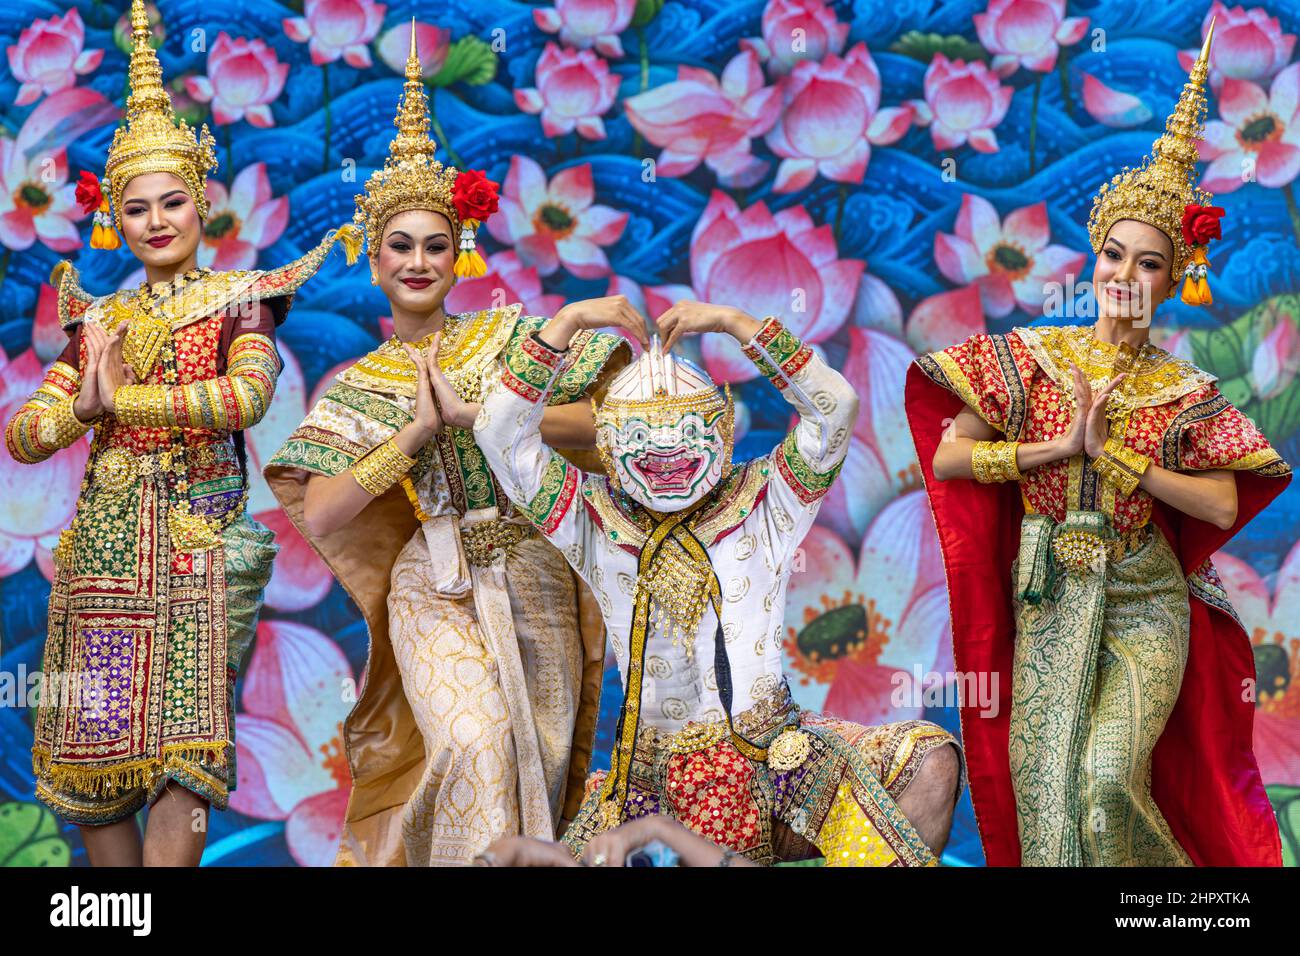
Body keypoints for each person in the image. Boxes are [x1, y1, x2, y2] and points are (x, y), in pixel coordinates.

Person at [905, 21, 1291, 866]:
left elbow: (1225, 502)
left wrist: (1120, 459)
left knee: (1111, 777)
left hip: (1145, 596)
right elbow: (948, 455)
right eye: (1114, 253)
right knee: (1051, 796)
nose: (1124, 275)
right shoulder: (1037, 357)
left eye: (1148, 263)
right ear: (1095, 253)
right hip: (1047, 587)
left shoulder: (1184, 390)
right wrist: (1049, 453)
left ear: (1174, 277)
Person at [4, 0, 358, 867]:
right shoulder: (99, 317)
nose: (157, 220)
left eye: (173, 202)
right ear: (114, 220)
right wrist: (83, 410)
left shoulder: (239, 302)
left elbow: (245, 398)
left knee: (184, 767)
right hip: (105, 555)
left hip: (199, 548)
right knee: (92, 770)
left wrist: (131, 406)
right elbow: (26, 436)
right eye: (136, 208)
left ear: (203, 202)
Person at [263, 29, 629, 866]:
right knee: (473, 744)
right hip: (431, 580)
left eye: (435, 244)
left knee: (538, 765)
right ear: (373, 256)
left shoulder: (513, 340)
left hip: (535, 571)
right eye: (401, 245)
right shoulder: (359, 383)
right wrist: (419, 432)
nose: (419, 261)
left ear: (459, 252)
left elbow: (606, 439)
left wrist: (492, 417)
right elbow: (322, 510)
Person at [474, 295, 965, 866]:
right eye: (643, 436)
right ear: (607, 445)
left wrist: (739, 325)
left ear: (724, 428)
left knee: (930, 762)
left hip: (783, 758)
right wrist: (566, 325)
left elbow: (836, 408)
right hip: (655, 785)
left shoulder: (765, 498)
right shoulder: (589, 516)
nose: (666, 449)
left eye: (688, 430)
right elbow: (498, 430)